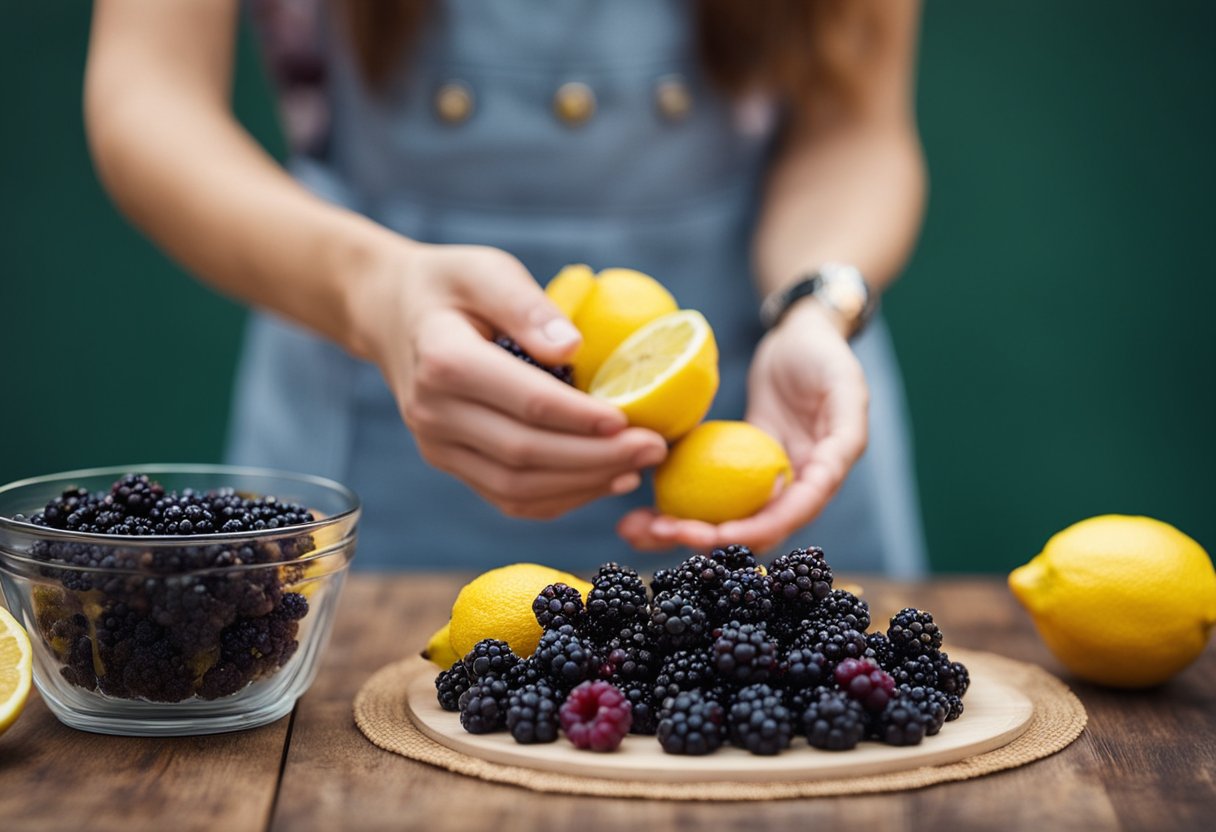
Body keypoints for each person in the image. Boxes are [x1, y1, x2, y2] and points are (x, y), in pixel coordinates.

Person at [84, 0, 928, 575]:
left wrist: (818, 306)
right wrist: (374, 293)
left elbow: (856, 126)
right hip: (377, 432)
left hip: (763, 430)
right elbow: (147, 96)